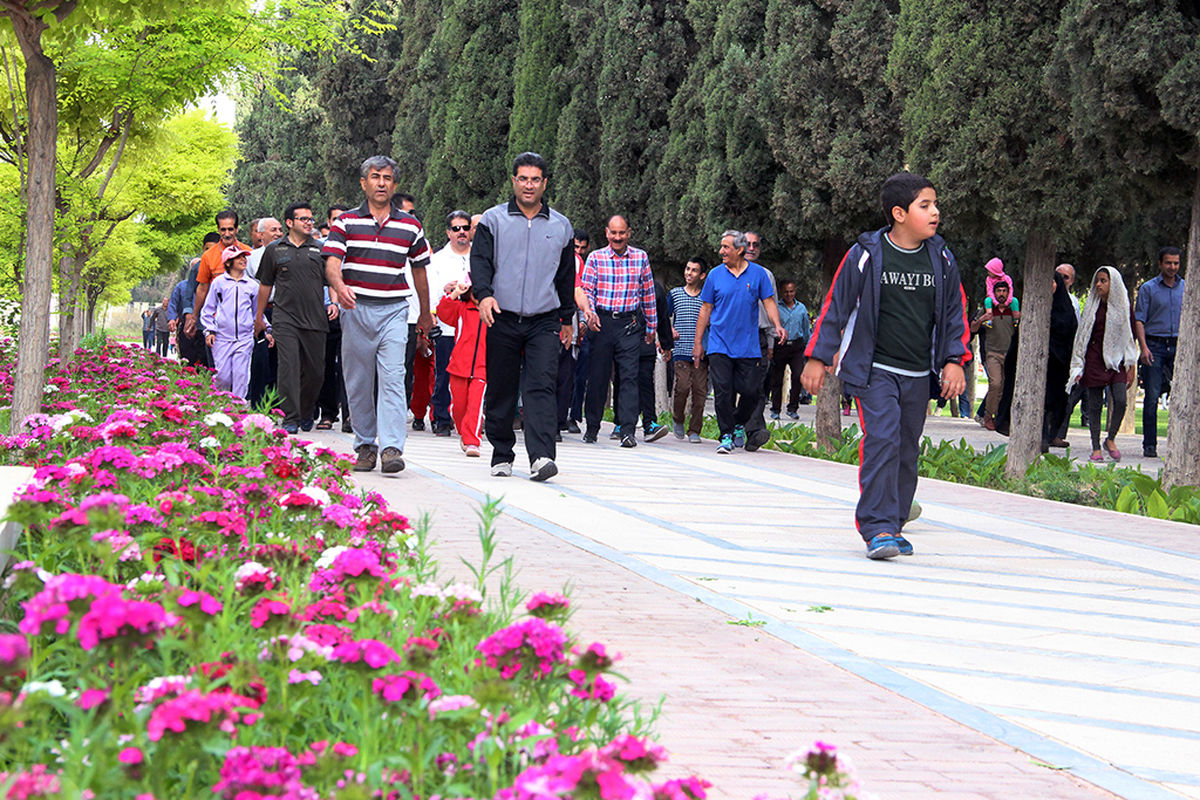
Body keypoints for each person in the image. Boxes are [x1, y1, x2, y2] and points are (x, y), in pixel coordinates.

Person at [801, 172, 969, 560]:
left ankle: (893, 524)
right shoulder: (867, 254)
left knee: (906, 450)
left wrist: (954, 361)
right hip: (874, 370)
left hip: (917, 374)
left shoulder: (941, 258)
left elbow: (954, 313)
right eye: (925, 205)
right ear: (899, 213)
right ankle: (876, 527)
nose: (935, 212)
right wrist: (817, 356)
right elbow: (836, 305)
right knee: (882, 440)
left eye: (935, 204)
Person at [470, 151, 576, 482]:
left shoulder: (560, 226)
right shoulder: (493, 220)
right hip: (501, 316)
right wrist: (484, 295)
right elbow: (481, 262)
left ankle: (542, 456)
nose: (529, 185)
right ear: (513, 181)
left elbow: (566, 276)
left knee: (542, 385)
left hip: (544, 319)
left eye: (535, 179)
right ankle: (501, 453)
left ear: (544, 183)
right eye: (523, 179)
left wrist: (567, 319)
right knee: (502, 387)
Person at [324, 155, 433, 475]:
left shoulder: (410, 225)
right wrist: (340, 285)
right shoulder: (345, 222)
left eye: (387, 178)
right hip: (356, 309)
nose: (381, 183)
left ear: (395, 185)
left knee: (393, 379)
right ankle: (365, 445)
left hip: (394, 311)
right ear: (364, 183)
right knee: (357, 382)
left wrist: (425, 314)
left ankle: (391, 448)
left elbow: (420, 270)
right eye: (375, 177)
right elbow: (331, 262)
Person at [693, 230, 786, 455]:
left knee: (751, 391)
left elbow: (769, 301)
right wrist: (698, 343)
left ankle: (737, 423)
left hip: (748, 345)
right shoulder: (715, 275)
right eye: (721, 247)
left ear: (739, 250)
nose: (721, 251)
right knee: (723, 392)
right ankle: (725, 434)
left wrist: (777, 325)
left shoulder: (758, 274)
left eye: (726, 247)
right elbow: (705, 309)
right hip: (719, 344)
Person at [580, 214, 665, 447]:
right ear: (606, 233)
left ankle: (628, 430)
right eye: (613, 233)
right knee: (598, 378)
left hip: (629, 325)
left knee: (630, 377)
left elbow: (648, 294)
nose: (617, 237)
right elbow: (587, 290)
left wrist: (651, 327)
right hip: (602, 324)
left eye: (622, 233)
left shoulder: (640, 258)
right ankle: (593, 427)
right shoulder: (596, 258)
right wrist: (590, 315)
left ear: (629, 233)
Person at [256, 203, 337, 434]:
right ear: (290, 223)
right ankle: (290, 417)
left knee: (315, 372)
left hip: (315, 320)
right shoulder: (274, 250)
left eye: (311, 219)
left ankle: (306, 409)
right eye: (303, 219)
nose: (309, 222)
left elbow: (331, 279)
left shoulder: (320, 249)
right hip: (285, 319)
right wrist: (259, 317)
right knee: (288, 368)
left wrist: (334, 302)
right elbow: (265, 285)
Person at [1070, 267, 1138, 463]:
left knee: (1120, 400)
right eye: (1097, 281)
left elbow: (1129, 336)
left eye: (1103, 281)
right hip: (1094, 359)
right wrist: (1079, 365)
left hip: (1117, 361)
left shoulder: (1124, 306)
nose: (1098, 285)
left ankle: (1111, 438)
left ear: (1113, 284)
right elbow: (1082, 336)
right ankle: (1095, 448)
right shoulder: (1092, 306)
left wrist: (1131, 365)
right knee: (1094, 406)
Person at [426, 210, 474, 436]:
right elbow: (432, 292)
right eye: (456, 229)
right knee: (444, 372)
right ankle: (441, 418)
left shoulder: (479, 256)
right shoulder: (438, 260)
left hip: (474, 327)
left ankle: (470, 419)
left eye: (465, 227)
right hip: (447, 326)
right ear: (448, 232)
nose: (461, 232)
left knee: (473, 375)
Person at [201, 247, 270, 399]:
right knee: (222, 377)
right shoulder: (219, 283)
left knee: (241, 376)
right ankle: (220, 405)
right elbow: (208, 310)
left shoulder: (252, 285)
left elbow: (257, 312)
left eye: (244, 257)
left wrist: (268, 330)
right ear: (228, 262)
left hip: (245, 339)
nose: (243, 260)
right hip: (222, 338)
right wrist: (210, 331)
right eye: (238, 258)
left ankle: (237, 411)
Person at [1134, 246, 1183, 458]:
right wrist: (1143, 347)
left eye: (1176, 263)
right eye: (1168, 263)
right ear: (1160, 264)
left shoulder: (1186, 287)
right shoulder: (1148, 288)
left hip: (1179, 345)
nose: (1172, 267)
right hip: (1154, 345)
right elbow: (1139, 319)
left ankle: (1180, 444)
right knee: (1152, 396)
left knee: (1182, 397)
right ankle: (1150, 444)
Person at [437, 280, 487, 457]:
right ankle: (465, 430)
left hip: (482, 368)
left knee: (475, 405)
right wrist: (455, 293)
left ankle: (472, 440)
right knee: (458, 407)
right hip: (458, 365)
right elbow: (442, 312)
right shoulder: (461, 308)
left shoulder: (491, 311)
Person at [968, 270, 1019, 431]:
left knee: (1006, 387)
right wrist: (982, 319)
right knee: (995, 383)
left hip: (1010, 354)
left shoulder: (1014, 309)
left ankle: (1001, 417)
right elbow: (973, 328)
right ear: (994, 292)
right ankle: (988, 416)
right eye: (999, 291)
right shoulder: (987, 309)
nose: (1001, 294)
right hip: (993, 354)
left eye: (1004, 291)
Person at [317, 205, 352, 432]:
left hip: (352, 311)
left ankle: (351, 415)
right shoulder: (321, 249)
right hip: (328, 314)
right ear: (329, 223)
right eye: (335, 219)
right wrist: (331, 303)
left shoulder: (356, 247)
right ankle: (328, 413)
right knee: (326, 365)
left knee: (352, 366)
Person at [191, 210, 251, 336]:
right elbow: (202, 288)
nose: (227, 234)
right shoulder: (208, 256)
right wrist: (194, 316)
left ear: (237, 229)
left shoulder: (248, 253)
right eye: (223, 230)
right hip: (216, 322)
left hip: (244, 322)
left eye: (230, 229)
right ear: (218, 230)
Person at [667, 258, 708, 442]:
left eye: (694, 270)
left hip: (701, 352)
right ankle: (678, 418)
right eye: (687, 268)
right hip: (681, 350)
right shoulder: (675, 294)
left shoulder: (706, 297)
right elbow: (665, 317)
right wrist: (669, 331)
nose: (689, 273)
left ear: (702, 275)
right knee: (682, 387)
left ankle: (695, 430)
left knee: (700, 392)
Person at [246, 218, 285, 408]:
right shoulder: (251, 258)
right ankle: (259, 404)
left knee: (281, 359)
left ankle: (278, 405)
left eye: (280, 229)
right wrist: (257, 316)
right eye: (273, 230)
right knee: (261, 358)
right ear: (260, 234)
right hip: (262, 311)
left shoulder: (288, 253)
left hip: (284, 311)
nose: (278, 233)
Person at [1051, 262, 1083, 447]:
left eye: (1066, 277)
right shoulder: (1042, 298)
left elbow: (1076, 330)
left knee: (1064, 397)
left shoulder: (1074, 303)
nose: (1061, 280)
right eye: (1058, 275)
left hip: (1064, 355)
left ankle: (1057, 433)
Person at [770, 279, 811, 419]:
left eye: (791, 291)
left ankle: (793, 408)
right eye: (786, 292)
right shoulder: (776, 307)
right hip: (780, 345)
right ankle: (775, 409)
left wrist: (807, 347)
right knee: (777, 378)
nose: (789, 294)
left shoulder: (801, 308)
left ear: (795, 291)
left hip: (797, 346)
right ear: (782, 292)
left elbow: (806, 329)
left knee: (798, 376)